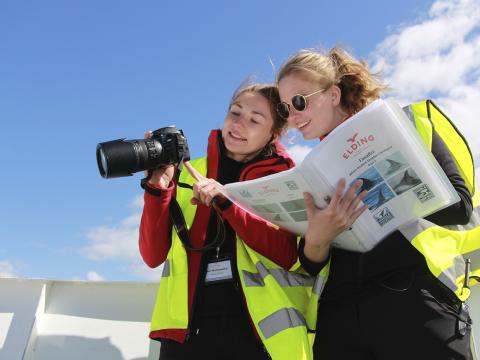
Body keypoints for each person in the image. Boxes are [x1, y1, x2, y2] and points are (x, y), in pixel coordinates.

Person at [276, 46, 475, 359]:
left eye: (299, 101)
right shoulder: (310, 176)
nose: (294, 116)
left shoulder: (409, 123)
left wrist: (374, 194)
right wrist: (317, 240)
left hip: (415, 302)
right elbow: (312, 265)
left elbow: (460, 205)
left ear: (333, 94)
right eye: (286, 109)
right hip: (338, 318)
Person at [139, 83, 315, 360]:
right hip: (186, 333)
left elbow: (287, 253)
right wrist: (158, 189)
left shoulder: (286, 180)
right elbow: (152, 256)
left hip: (258, 335)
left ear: (274, 133)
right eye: (235, 113)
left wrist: (227, 204)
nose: (239, 124)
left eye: (255, 120)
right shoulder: (188, 172)